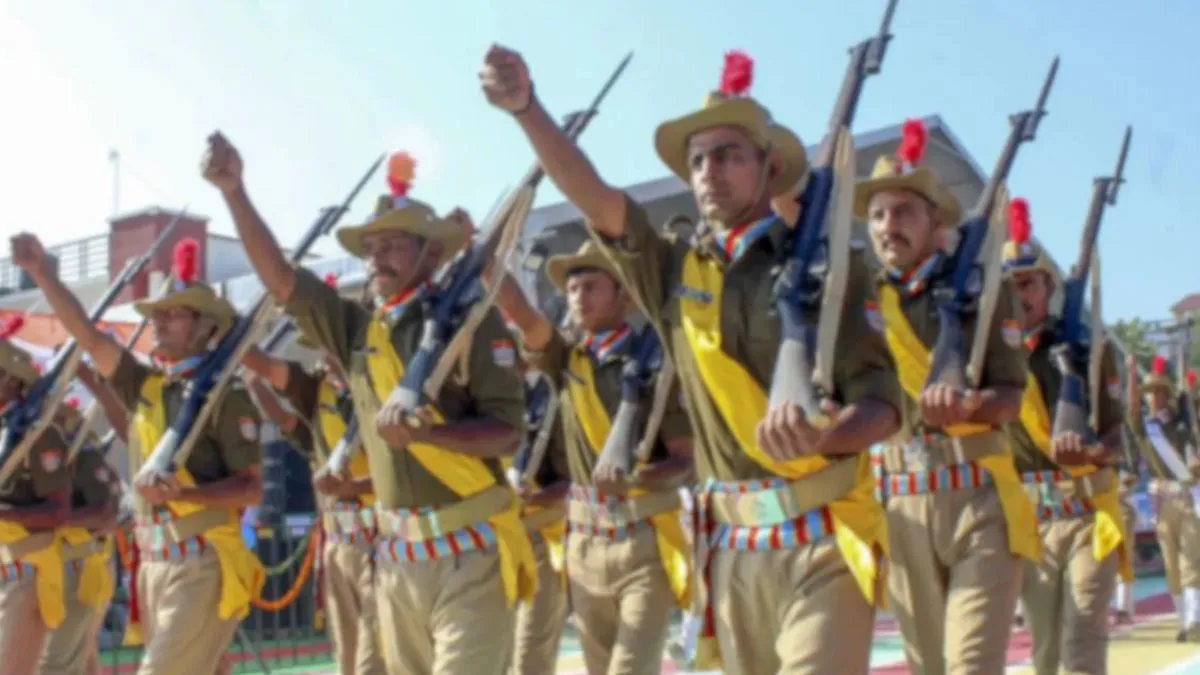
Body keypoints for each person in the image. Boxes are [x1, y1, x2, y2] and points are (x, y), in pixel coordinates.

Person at [481, 46, 902, 674]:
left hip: (826, 537)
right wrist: (527, 109)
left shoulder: (831, 268)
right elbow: (598, 200)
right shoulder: (674, 270)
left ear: (770, 168)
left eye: (730, 155)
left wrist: (824, 434)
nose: (710, 172)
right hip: (730, 547)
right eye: (698, 160)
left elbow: (883, 404)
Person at [201, 134, 535, 674]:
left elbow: (506, 433)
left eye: (392, 245)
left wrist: (426, 434)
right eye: (371, 248)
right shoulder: (359, 331)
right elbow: (283, 281)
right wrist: (234, 192)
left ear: (431, 253)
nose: (376, 258)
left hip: (471, 550)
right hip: (398, 560)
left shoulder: (471, 322)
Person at [9, 234, 266, 675]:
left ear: (206, 326)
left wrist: (185, 493)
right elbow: (89, 338)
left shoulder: (227, 396)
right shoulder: (147, 386)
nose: (158, 322)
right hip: (154, 562)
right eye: (157, 314)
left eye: (174, 314)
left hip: (202, 560)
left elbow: (250, 488)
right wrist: (41, 274)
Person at [857, 118, 1040, 674]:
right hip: (899, 503)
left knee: (971, 664)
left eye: (904, 212)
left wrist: (968, 408)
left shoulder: (985, 291)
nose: (889, 226)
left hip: (977, 493)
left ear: (936, 221)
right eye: (878, 215)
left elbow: (1010, 395)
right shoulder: (858, 301)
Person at [486, 242, 694, 674]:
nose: (578, 298)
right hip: (583, 540)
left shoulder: (658, 364)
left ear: (625, 297)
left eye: (591, 287)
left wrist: (634, 479)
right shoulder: (565, 359)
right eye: (572, 289)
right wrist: (487, 264)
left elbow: (684, 460)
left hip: (644, 539)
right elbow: (526, 318)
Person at [1002, 200, 1127, 675]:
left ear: (1048, 287)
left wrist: (1095, 452)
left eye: (1028, 283)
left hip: (1088, 512)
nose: (1021, 295)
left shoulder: (1087, 351)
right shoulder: (992, 359)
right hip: (1031, 520)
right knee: (1045, 649)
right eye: (1011, 286)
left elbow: (1117, 434)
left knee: (1082, 639)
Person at [241, 300, 386, 675]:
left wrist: (351, 487)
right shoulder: (322, 391)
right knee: (347, 657)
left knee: (375, 659)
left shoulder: (381, 388)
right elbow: (289, 423)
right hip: (339, 540)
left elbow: (404, 472)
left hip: (379, 537)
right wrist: (256, 385)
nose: (324, 355)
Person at [0, 315, 73, 675]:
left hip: (24, 573)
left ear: (12, 380)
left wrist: (5, 514)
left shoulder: (39, 434)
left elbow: (58, 512)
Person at [40, 370, 126, 675]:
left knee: (54, 664)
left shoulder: (80, 448)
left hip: (77, 568)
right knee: (81, 660)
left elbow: (105, 514)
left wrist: (43, 521)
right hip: (40, 569)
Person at [1127, 352, 1200, 641]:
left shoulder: (1182, 423)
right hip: (1160, 497)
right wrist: (1131, 373)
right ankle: (1184, 621)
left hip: (1186, 493)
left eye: (1158, 391)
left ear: (1166, 393)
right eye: (1149, 392)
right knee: (1170, 562)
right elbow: (1132, 407)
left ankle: (1195, 618)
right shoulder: (1144, 428)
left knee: (1190, 556)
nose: (1153, 397)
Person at [507, 360, 570, 675]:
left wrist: (531, 498)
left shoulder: (559, 395)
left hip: (543, 536)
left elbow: (580, 478)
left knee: (530, 658)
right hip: (495, 540)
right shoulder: (484, 391)